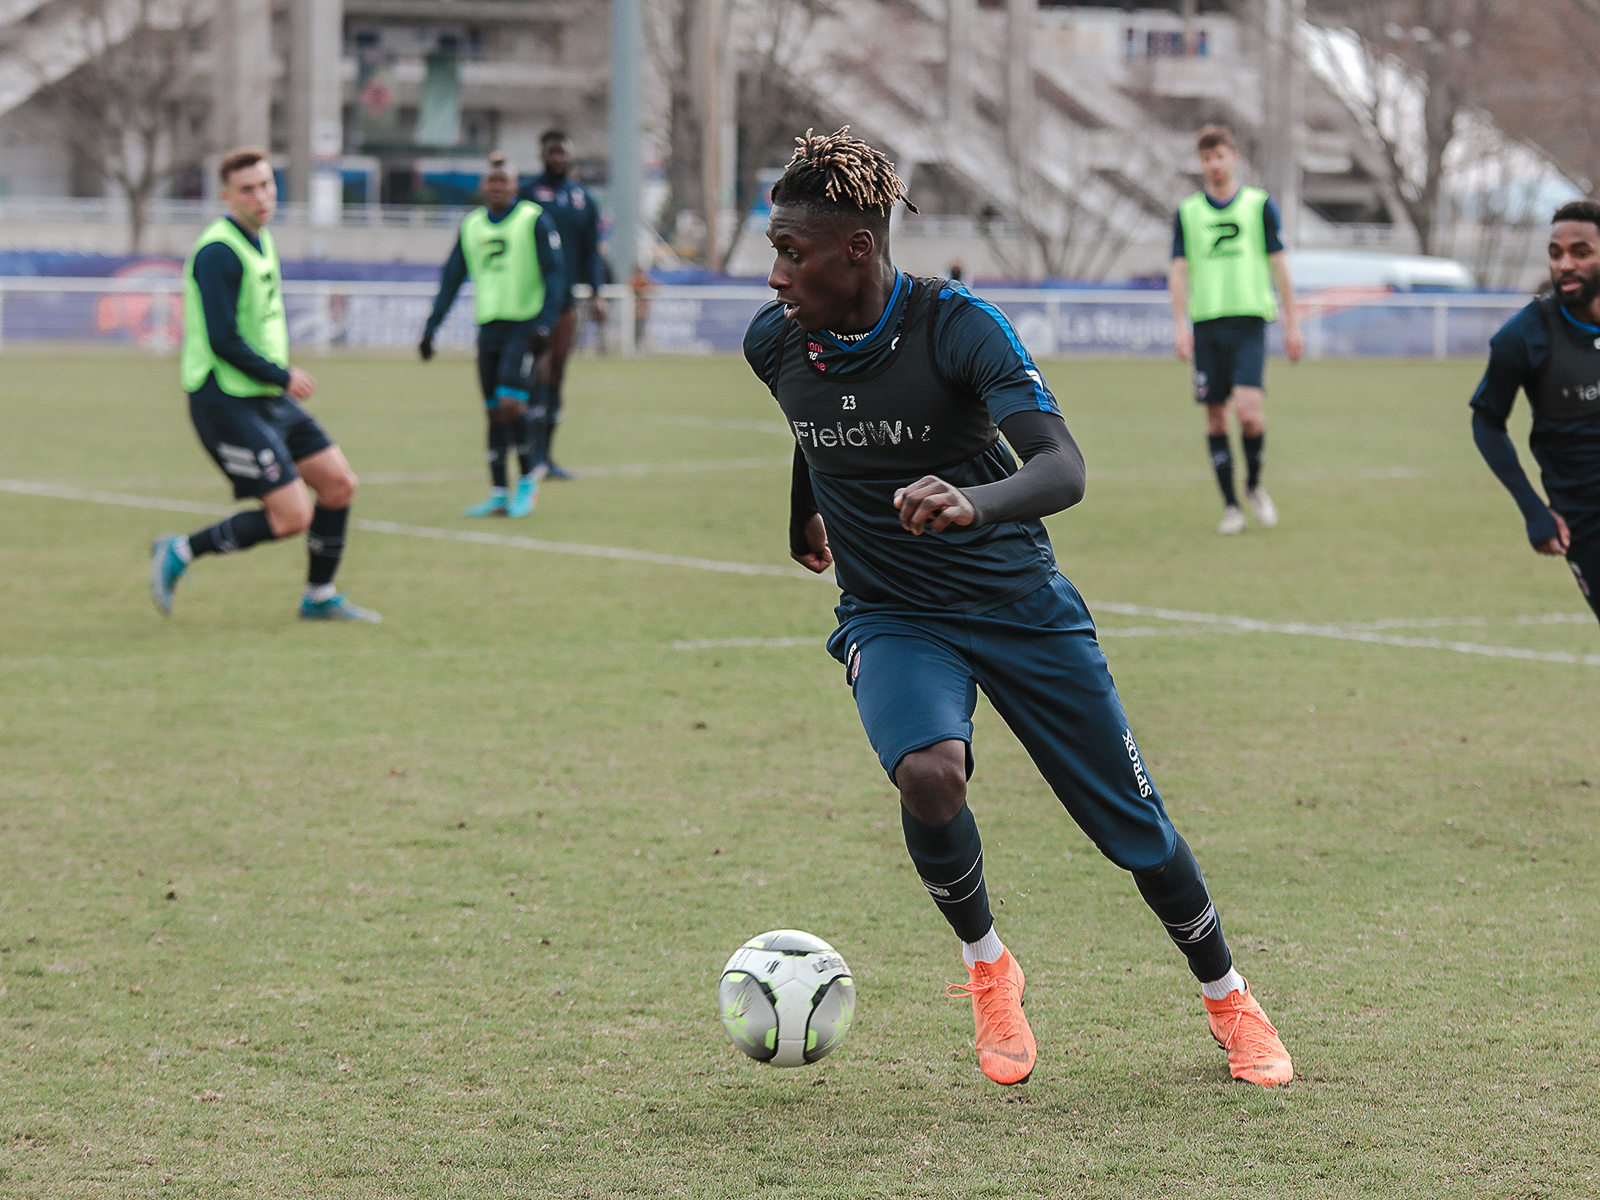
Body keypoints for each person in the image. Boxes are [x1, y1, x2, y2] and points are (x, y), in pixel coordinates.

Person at [744, 127, 1292, 1089]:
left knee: (1135, 828)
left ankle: (1229, 998)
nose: (776, 275)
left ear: (858, 250)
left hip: (1016, 601)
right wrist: (806, 513)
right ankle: (989, 968)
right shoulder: (775, 342)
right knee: (928, 773)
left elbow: (1063, 468)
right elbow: (812, 422)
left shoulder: (960, 325)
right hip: (892, 611)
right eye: (775, 252)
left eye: (792, 252)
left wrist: (972, 502)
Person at [149, 147, 379, 622]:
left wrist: (275, 381)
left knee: (338, 485)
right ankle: (180, 551)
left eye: (267, 185)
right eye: (248, 189)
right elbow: (222, 338)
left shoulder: (261, 237)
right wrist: (282, 374)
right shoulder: (218, 251)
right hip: (224, 399)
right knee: (293, 518)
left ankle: (319, 597)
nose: (261, 196)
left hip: (264, 396)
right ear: (227, 196)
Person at [1168, 124, 1303, 535]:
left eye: (1220, 156)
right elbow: (1178, 270)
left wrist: (1292, 323)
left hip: (1248, 322)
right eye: (1206, 158)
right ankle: (1231, 507)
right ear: (1201, 164)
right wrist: (1179, 325)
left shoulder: (1259, 206)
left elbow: (1280, 266)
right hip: (1207, 324)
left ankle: (1255, 486)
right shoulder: (1188, 213)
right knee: (1214, 419)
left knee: (1249, 415)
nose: (1214, 164)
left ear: (1234, 157)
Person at [1471, 199, 1600, 624]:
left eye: (1581, 252)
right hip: (1586, 521)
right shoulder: (1524, 337)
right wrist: (1533, 510)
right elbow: (1487, 421)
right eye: (1555, 253)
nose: (1565, 264)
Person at [419, 153, 566, 518]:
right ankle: (500, 492)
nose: (497, 187)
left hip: (525, 326)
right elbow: (452, 279)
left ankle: (529, 478)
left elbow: (555, 276)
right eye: (491, 181)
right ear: (483, 188)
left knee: (510, 402)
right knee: (493, 412)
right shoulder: (472, 226)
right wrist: (431, 328)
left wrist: (545, 324)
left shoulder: (533, 220)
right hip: (489, 328)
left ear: (515, 186)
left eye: (504, 181)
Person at [519, 130, 607, 479]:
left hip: (567, 301)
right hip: (531, 299)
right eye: (553, 152)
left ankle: (546, 457)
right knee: (535, 373)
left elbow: (591, 252)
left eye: (563, 153)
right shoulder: (526, 196)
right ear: (542, 155)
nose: (558, 158)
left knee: (556, 374)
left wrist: (598, 292)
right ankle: (530, 456)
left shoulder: (583, 199)